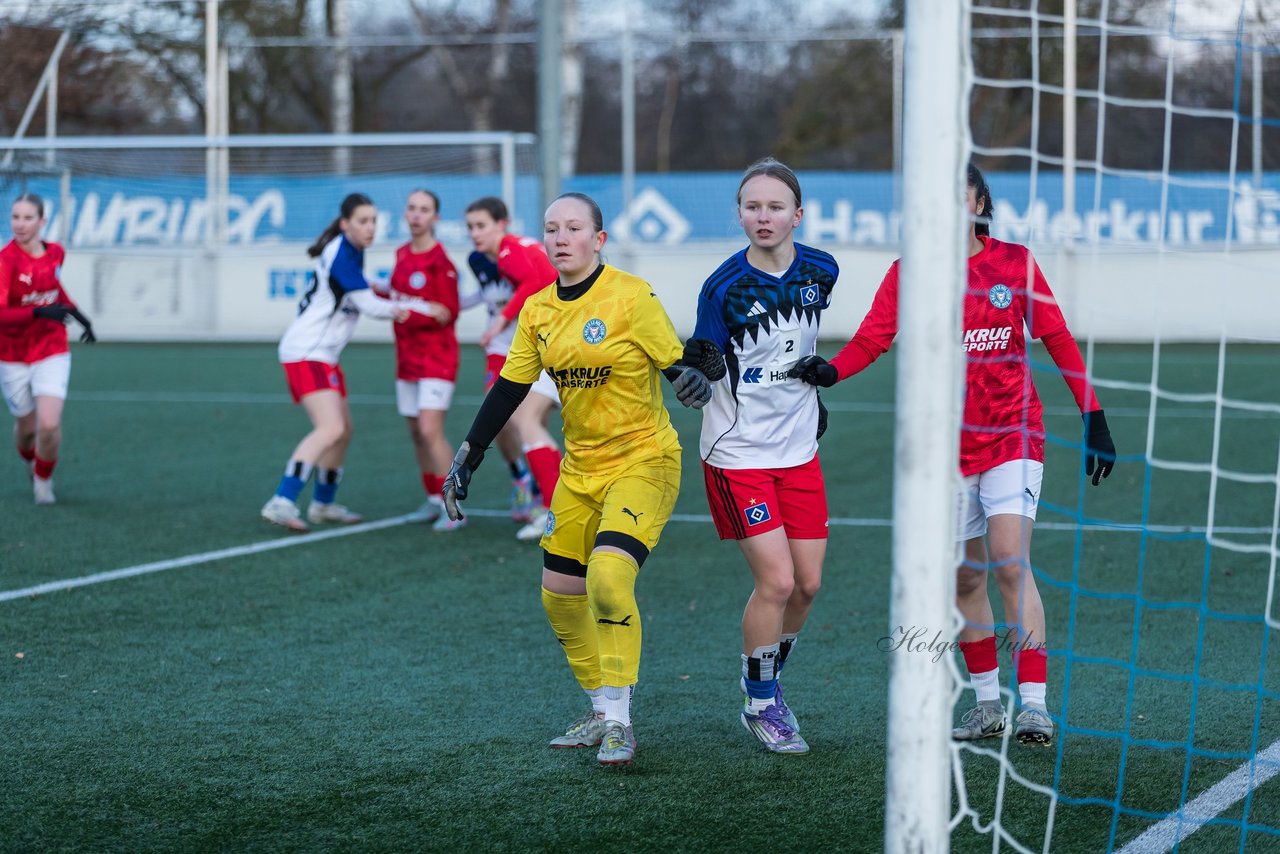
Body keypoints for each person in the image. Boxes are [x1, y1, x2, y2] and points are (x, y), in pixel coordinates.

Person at [790, 163, 1117, 747]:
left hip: (1013, 432)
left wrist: (1092, 414)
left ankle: (1035, 707)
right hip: (945, 448)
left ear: (979, 202)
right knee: (964, 576)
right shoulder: (908, 273)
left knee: (1010, 560)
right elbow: (872, 338)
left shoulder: (1013, 264)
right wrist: (831, 371)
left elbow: (1058, 335)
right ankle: (988, 706)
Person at [441, 192, 719, 767]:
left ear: (599, 239)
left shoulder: (631, 295)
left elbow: (677, 365)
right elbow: (510, 390)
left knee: (609, 580)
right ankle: (600, 709)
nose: (561, 237)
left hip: (645, 460)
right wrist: (469, 454)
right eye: (552, 228)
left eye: (573, 228)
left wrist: (694, 381)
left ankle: (620, 722)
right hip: (580, 470)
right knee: (559, 597)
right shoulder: (539, 311)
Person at [691, 157, 838, 756]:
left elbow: (798, 343)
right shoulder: (722, 287)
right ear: (740, 214)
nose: (763, 216)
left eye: (775, 206)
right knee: (775, 582)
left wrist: (809, 390)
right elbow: (699, 352)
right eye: (752, 206)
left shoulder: (822, 271)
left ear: (797, 215)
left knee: (807, 585)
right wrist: (694, 371)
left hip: (800, 451)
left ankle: (767, 674)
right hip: (739, 454)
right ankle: (761, 700)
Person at [260, 192, 421, 533]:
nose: (371, 228)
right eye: (363, 221)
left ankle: (323, 504)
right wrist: (413, 308)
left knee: (343, 431)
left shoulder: (350, 250)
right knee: (330, 428)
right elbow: (368, 304)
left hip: (322, 355)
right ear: (346, 224)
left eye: (374, 221)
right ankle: (282, 500)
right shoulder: (342, 253)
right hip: (307, 352)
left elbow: (357, 290)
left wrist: (381, 290)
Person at [463, 196, 564, 541]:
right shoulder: (479, 260)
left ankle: (552, 506)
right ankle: (525, 480)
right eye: (470, 227)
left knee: (527, 421)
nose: (475, 233)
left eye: (481, 226)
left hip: (539, 345)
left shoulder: (513, 251)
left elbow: (535, 283)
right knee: (502, 417)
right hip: (505, 349)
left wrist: (499, 322)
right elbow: (487, 295)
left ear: (502, 224)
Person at [0, 192, 95, 505]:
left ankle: (43, 482)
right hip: (12, 355)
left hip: (51, 348)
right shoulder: (6, 261)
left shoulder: (56, 252)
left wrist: (78, 315)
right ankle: (30, 462)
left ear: (42, 221)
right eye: (15, 217)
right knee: (27, 428)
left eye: (27, 218)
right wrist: (39, 312)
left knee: (49, 425)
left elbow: (55, 288)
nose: (20, 224)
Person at [384, 189, 463, 532]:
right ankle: (432, 498)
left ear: (436, 218)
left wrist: (408, 313)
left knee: (431, 430)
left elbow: (449, 313)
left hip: (437, 359)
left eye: (424, 210)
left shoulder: (441, 262)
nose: (416, 215)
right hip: (407, 358)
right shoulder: (401, 254)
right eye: (412, 208)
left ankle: (453, 507)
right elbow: (397, 299)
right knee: (416, 432)